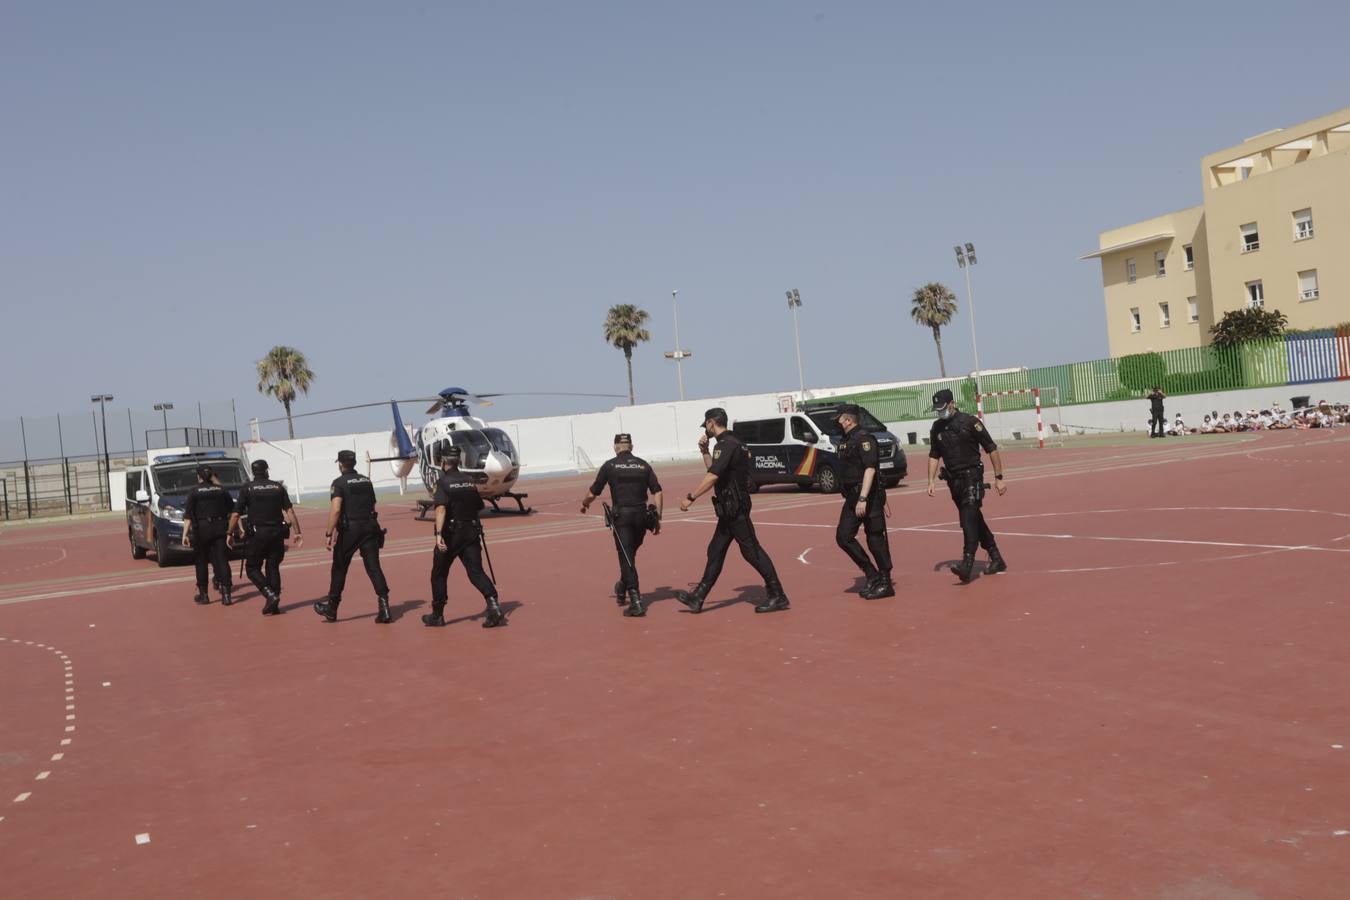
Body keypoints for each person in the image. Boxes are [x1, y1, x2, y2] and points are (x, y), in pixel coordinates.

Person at [675, 408, 789, 614]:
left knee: (752, 551)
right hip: (729, 508)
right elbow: (714, 469)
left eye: (706, 425)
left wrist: (690, 497)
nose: (706, 429)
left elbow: (712, 477)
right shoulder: (734, 442)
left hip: (735, 507)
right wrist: (705, 452)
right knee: (715, 550)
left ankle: (778, 595)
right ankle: (698, 597)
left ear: (711, 423)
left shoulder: (727, 444)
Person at [926, 389, 1008, 584]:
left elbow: (992, 448)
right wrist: (930, 480)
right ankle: (996, 558)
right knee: (974, 519)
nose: (940, 412)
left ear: (952, 404)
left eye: (943, 408)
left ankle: (967, 564)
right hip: (953, 481)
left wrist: (999, 477)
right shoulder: (937, 427)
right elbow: (934, 455)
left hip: (972, 476)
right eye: (937, 409)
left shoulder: (970, 423)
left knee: (968, 519)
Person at [580, 433, 663, 617]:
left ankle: (635, 599)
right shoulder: (643, 465)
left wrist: (585, 503)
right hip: (642, 517)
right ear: (631, 446)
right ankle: (621, 587)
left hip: (622, 517)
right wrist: (658, 517)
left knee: (626, 557)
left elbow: (594, 492)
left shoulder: (610, 466)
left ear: (616, 447)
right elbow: (657, 491)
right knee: (630, 555)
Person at [423, 444, 506, 628]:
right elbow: (478, 506)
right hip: (471, 532)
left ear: (443, 460)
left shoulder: (443, 482)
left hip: (451, 534)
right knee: (476, 572)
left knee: (439, 574)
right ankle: (493, 605)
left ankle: (437, 614)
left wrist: (438, 534)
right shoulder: (469, 480)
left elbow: (441, 509)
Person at [314, 450, 392, 624]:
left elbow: (335, 509)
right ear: (354, 463)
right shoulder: (366, 480)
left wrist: (329, 533)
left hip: (350, 529)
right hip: (370, 527)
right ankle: (384, 608)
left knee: (339, 568)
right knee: (374, 568)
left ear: (340, 464)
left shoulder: (339, 483)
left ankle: (332, 609)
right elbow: (372, 503)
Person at [833, 404, 894, 599]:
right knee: (843, 537)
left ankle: (885, 582)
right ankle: (871, 574)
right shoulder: (846, 440)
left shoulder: (865, 439)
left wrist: (863, 498)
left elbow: (870, 469)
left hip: (868, 496)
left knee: (875, 539)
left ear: (849, 420)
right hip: (852, 497)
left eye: (840, 418)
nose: (838, 422)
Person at [228, 458, 303, 616]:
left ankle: (269, 594)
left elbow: (236, 514)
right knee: (273, 566)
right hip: (277, 533)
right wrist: (297, 532)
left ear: (253, 472)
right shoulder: (278, 487)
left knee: (252, 568)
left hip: (257, 535)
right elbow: (290, 511)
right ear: (267, 470)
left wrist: (229, 533)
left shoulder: (247, 488)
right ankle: (274, 603)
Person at [181, 465, 235, 605]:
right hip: (220, 528)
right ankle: (227, 594)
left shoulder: (194, 492)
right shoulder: (221, 490)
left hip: (202, 529)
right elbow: (232, 511)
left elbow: (188, 516)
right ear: (211, 476)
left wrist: (185, 535)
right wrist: (231, 530)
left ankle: (204, 595)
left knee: (201, 561)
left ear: (198, 477)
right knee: (222, 560)